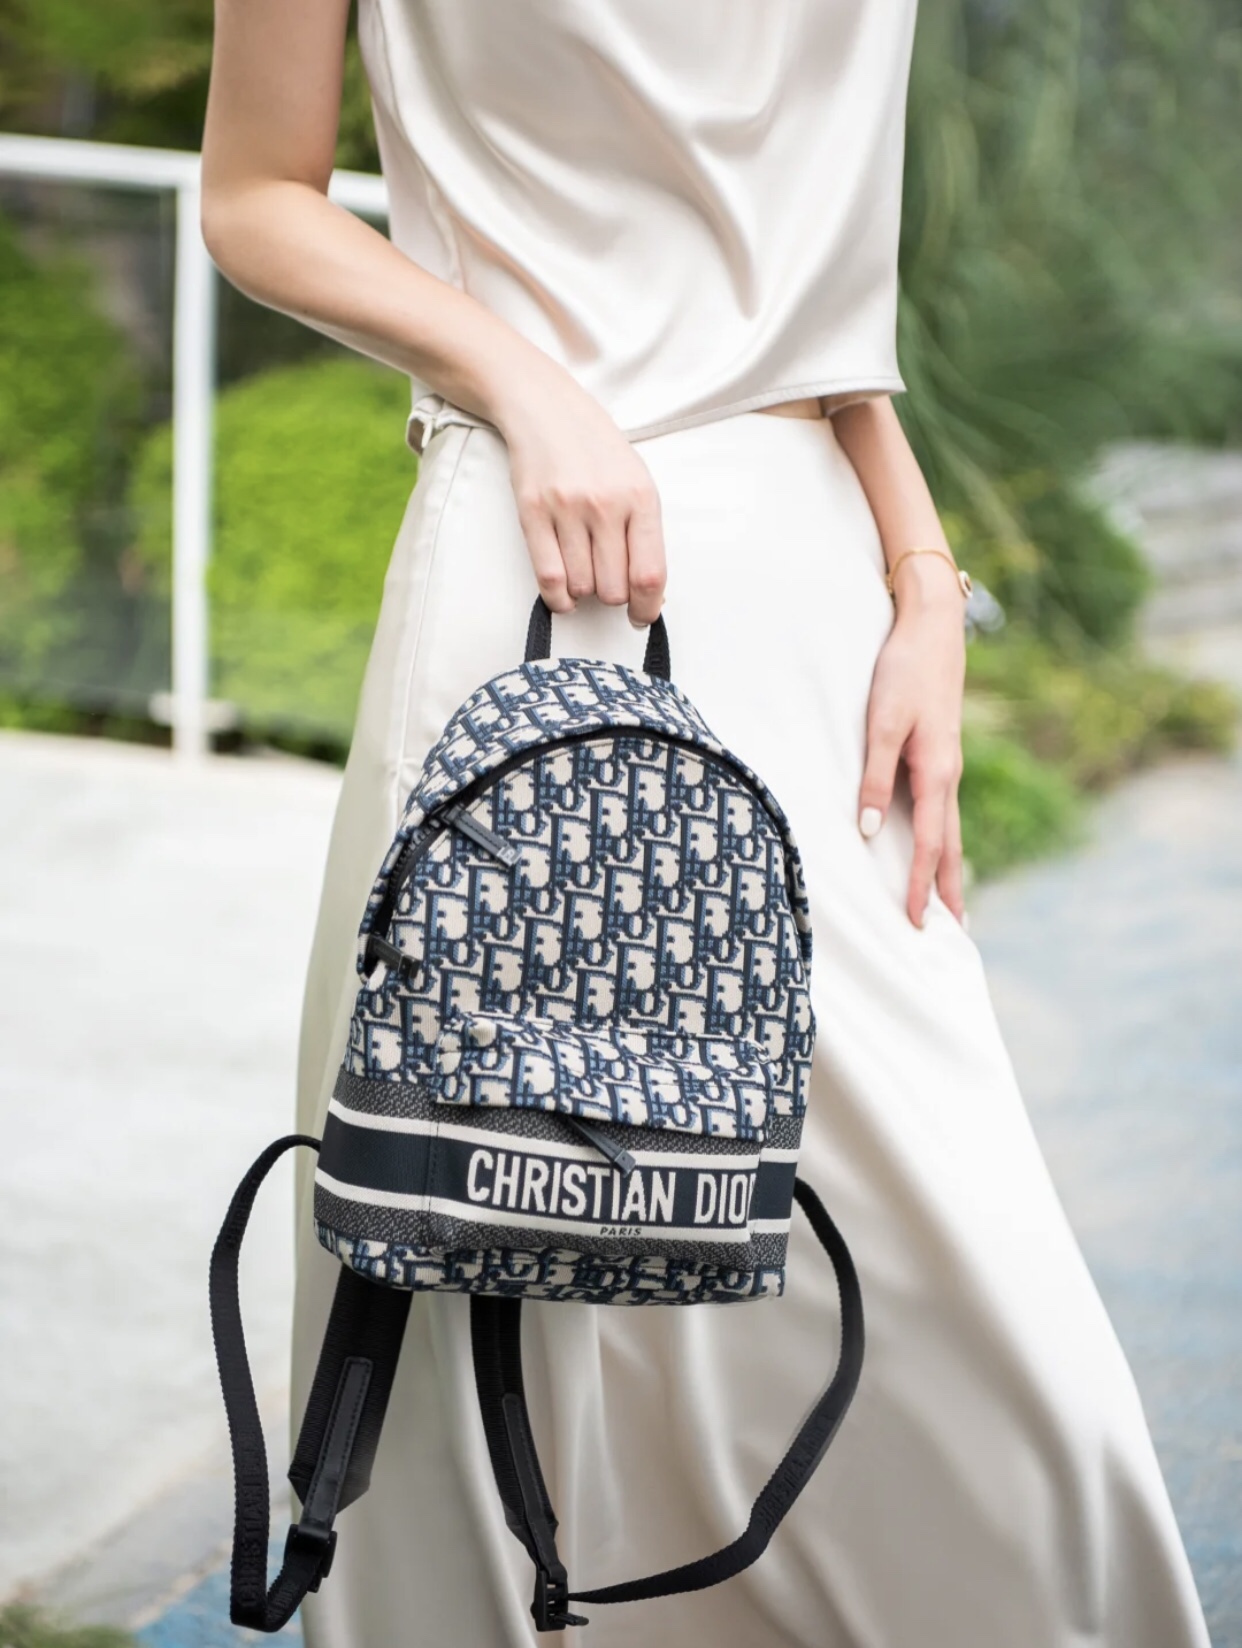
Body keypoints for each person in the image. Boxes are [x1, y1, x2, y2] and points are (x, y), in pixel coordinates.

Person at [200, 3, 1211, 1644]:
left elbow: (804, 295)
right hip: (546, 559)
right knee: (495, 1235)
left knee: (970, 1276)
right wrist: (522, 382)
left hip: (820, 582)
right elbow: (255, 196)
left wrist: (922, 580)